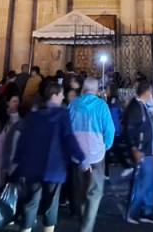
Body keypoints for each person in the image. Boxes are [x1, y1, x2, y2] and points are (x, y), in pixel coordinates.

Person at [13, 82, 88, 232]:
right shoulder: (62, 115)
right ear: (54, 95)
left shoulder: (33, 116)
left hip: (32, 166)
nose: (62, 97)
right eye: (61, 94)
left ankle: (26, 228)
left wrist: (17, 160)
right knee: (51, 205)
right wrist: (81, 158)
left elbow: (24, 139)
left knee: (31, 203)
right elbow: (68, 138)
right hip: (54, 166)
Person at [68, 77, 115, 232]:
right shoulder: (101, 106)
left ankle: (82, 218)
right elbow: (109, 130)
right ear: (96, 90)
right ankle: (86, 227)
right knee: (95, 192)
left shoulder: (73, 104)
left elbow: (67, 128)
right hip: (96, 154)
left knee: (79, 190)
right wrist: (105, 146)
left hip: (77, 154)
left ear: (83, 88)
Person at [123, 80, 153, 225]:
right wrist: (134, 148)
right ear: (147, 92)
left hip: (149, 151)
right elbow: (130, 129)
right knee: (142, 183)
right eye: (151, 92)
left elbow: (151, 129)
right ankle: (133, 212)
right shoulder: (136, 107)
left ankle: (146, 211)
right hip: (142, 151)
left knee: (150, 182)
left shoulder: (144, 108)